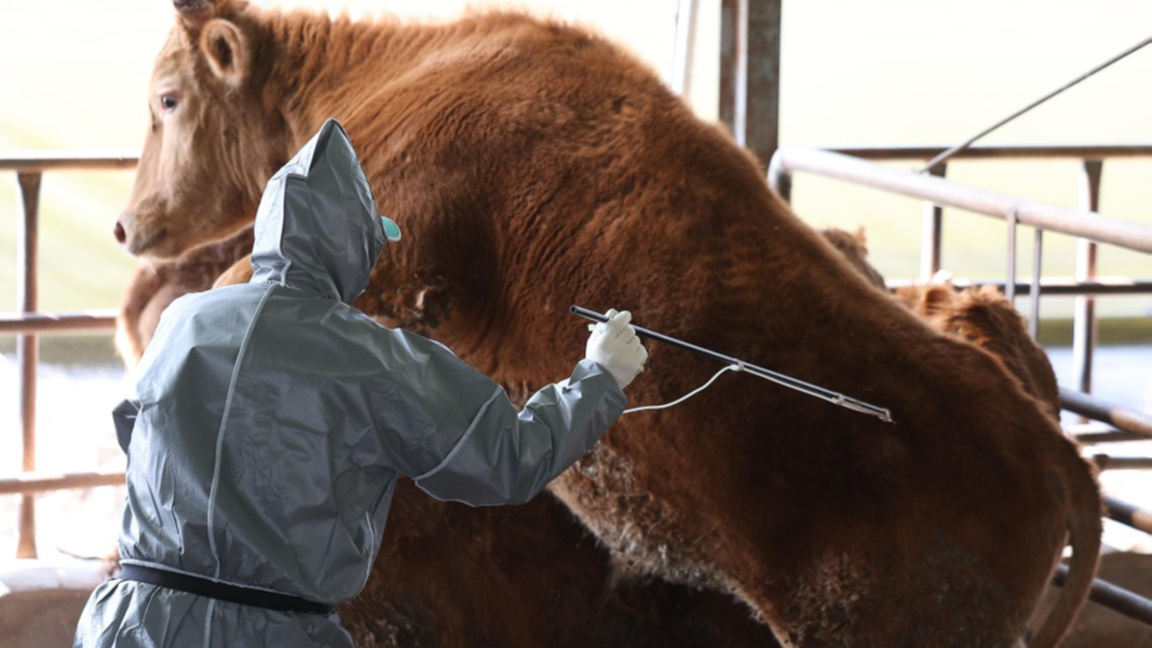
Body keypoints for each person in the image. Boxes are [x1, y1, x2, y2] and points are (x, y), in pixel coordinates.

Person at [74, 119, 648, 647]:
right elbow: (507, 459)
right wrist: (599, 375)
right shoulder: (372, 356)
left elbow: (133, 428)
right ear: (354, 244)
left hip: (134, 622)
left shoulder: (184, 321)